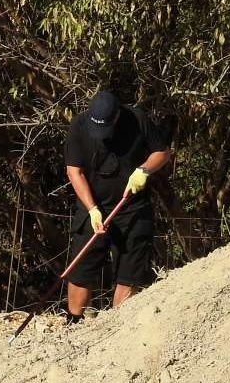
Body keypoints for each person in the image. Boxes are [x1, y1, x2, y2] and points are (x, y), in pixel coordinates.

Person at [63, 90, 172, 322]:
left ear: (117, 117)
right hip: (92, 208)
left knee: (129, 273)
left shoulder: (137, 119)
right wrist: (92, 208)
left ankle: (116, 327)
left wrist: (144, 170)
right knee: (80, 269)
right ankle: (73, 323)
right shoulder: (79, 125)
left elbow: (162, 152)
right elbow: (74, 171)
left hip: (132, 208)